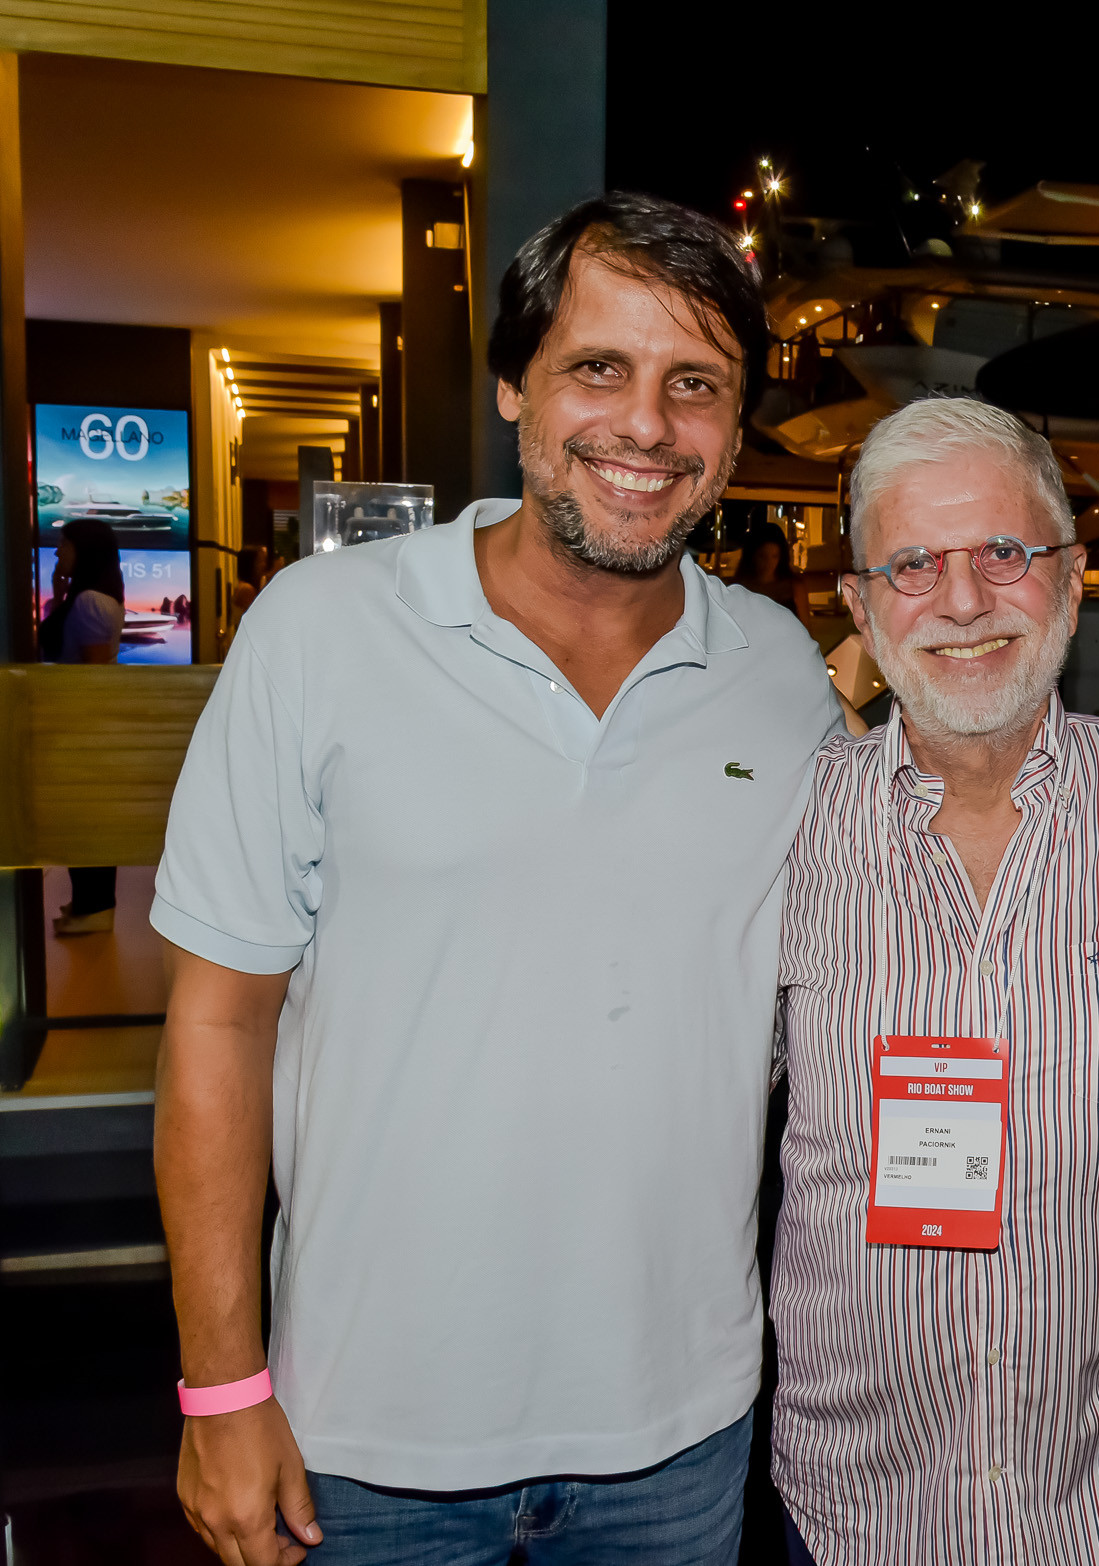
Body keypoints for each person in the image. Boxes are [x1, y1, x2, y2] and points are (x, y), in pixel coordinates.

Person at [151, 193, 843, 1566]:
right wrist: (221, 1389)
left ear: (734, 425)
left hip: (679, 1430)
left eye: (694, 383)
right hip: (363, 1437)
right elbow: (217, 1023)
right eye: (599, 367)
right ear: (515, 385)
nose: (645, 425)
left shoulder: (781, 677)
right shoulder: (321, 632)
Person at [770, 397, 1099, 1566]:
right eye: (912, 564)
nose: (962, 602)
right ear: (859, 605)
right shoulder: (781, 826)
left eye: (1003, 552)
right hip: (850, 1515)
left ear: (1069, 580)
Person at [42, 517, 127, 935]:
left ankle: (95, 907)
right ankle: (88, 903)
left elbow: (92, 673)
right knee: (83, 816)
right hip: (85, 724)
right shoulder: (92, 597)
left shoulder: (91, 601)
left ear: (84, 551)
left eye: (64, 544)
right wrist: (59, 594)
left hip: (83, 725)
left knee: (84, 818)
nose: (58, 552)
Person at [736, 517, 804, 617]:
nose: (768, 563)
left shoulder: (794, 588)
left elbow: (804, 624)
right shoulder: (741, 589)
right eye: (762, 556)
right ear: (753, 556)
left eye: (774, 556)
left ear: (781, 557)